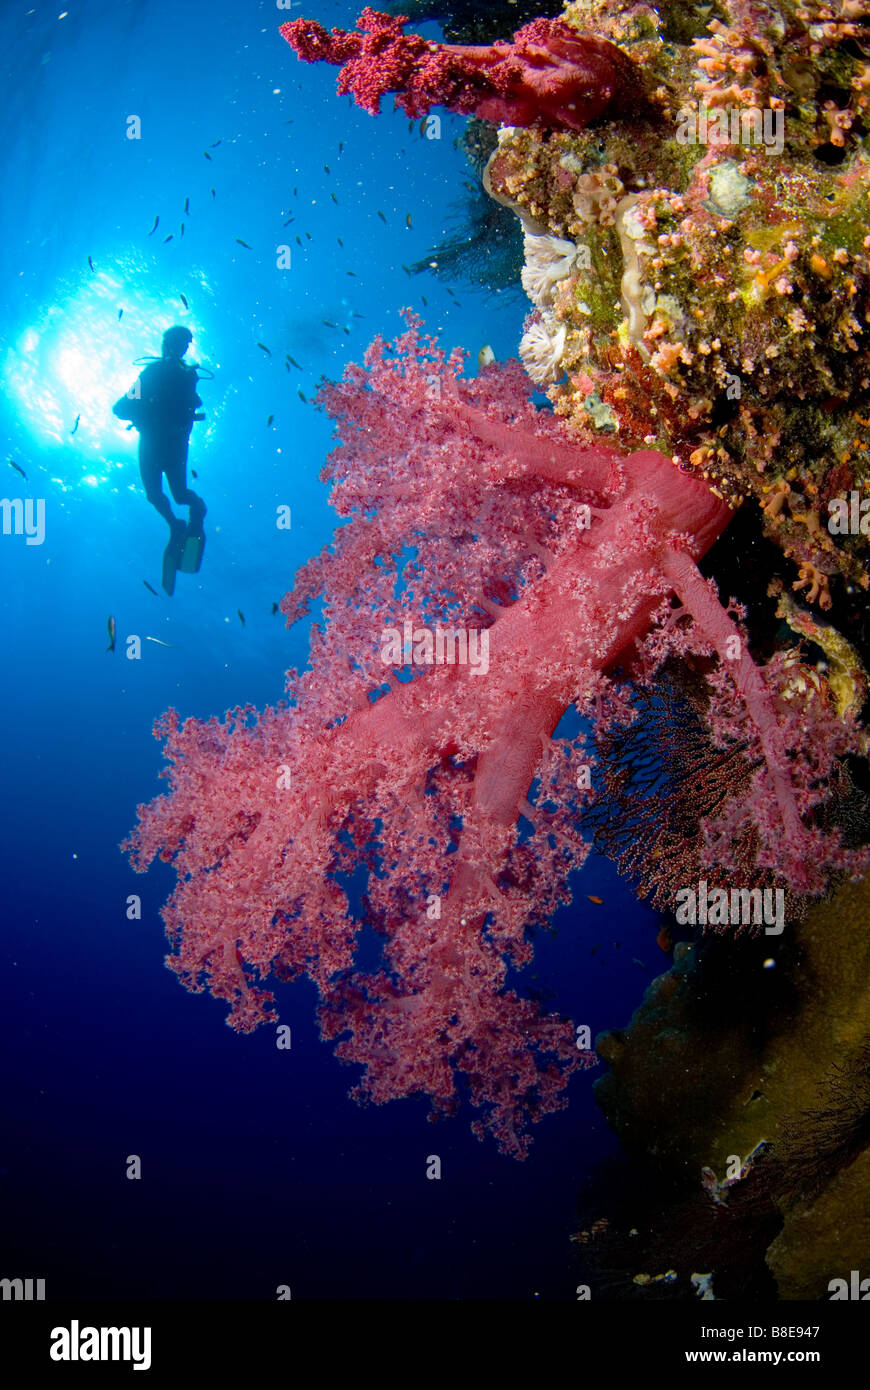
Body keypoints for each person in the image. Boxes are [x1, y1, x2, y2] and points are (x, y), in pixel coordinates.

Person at [113, 325, 207, 543]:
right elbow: (123, 406)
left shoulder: (153, 373)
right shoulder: (188, 375)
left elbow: (121, 407)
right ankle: (191, 513)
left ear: (165, 344)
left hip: (154, 442)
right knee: (179, 494)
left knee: (157, 494)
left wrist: (139, 414)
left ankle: (176, 524)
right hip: (174, 443)